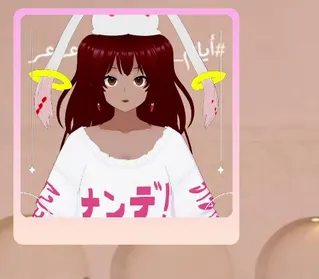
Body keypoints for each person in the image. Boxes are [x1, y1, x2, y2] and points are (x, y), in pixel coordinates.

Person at [33, 14, 217, 218]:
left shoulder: (171, 143)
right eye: (111, 80)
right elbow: (50, 216)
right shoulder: (79, 143)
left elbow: (200, 216)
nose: (125, 91)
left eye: (139, 80)